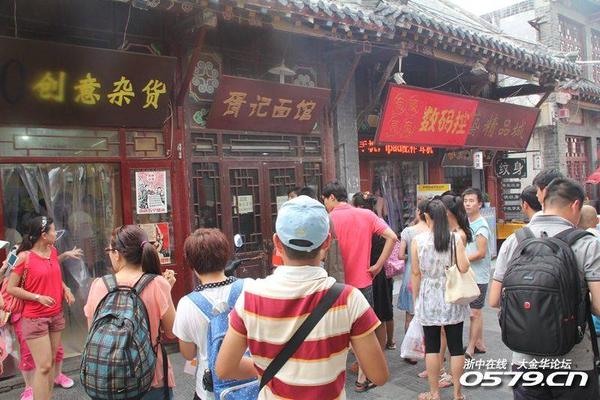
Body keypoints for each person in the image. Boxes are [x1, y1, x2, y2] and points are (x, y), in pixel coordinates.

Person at [215, 195, 388, 398]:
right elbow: (378, 376)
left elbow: (224, 368)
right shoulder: (349, 299)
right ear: (327, 242)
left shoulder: (250, 297)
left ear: (277, 242)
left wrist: (267, 369)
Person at [489, 178, 600, 399]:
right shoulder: (587, 243)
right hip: (575, 360)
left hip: (524, 360)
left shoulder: (514, 241)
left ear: (544, 200)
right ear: (575, 205)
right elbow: (598, 306)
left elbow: (494, 300)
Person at [84, 225, 177, 399]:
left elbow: (92, 332)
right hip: (151, 378)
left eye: (109, 251)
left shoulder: (99, 285)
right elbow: (172, 332)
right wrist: (167, 292)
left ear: (117, 254)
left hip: (109, 381)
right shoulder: (158, 284)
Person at [322, 181, 397, 390]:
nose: (325, 204)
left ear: (332, 197)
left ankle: (333, 374)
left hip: (336, 285)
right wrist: (378, 265)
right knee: (364, 331)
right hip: (363, 283)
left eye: (325, 200)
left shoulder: (327, 220)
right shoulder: (367, 215)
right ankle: (363, 378)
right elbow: (392, 237)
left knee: (337, 330)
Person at [5, 216, 76, 400]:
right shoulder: (23, 257)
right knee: (43, 366)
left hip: (56, 315)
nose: (56, 233)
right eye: (53, 230)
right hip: (35, 318)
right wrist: (37, 297)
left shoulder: (52, 251)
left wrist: (65, 289)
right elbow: (11, 288)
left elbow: (53, 274)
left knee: (50, 362)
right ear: (43, 235)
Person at [174, 228, 247, 400]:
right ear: (225, 255)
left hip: (210, 391)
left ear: (192, 265)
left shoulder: (186, 304)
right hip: (252, 384)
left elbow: (188, 354)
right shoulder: (250, 288)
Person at [411, 199, 470, 400]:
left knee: (432, 346)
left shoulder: (418, 241)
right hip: (452, 294)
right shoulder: (455, 239)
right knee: (456, 346)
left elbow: (416, 273)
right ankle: (457, 394)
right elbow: (464, 267)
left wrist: (416, 299)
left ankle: (434, 393)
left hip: (428, 295)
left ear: (427, 217)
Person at [352, 192, 394, 352]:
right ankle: (380, 351)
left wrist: (377, 265)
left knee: (370, 316)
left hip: (368, 273)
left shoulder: (364, 225)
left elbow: (393, 239)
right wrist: (379, 265)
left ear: (359, 207)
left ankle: (374, 354)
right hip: (378, 272)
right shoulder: (379, 222)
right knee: (380, 314)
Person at [397, 200, 429, 365]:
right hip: (428, 275)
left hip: (410, 274)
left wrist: (411, 257)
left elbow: (400, 255)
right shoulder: (432, 231)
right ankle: (431, 348)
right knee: (429, 315)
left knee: (410, 315)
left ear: (418, 212)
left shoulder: (408, 231)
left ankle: (410, 350)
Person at [462, 188, 491, 358]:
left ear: (479, 204)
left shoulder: (481, 225)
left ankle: (471, 348)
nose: (467, 204)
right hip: (469, 274)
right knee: (476, 311)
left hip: (479, 276)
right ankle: (479, 343)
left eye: (471, 201)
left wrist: (461, 259)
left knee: (474, 312)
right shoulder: (466, 223)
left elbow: (481, 253)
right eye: (466, 201)